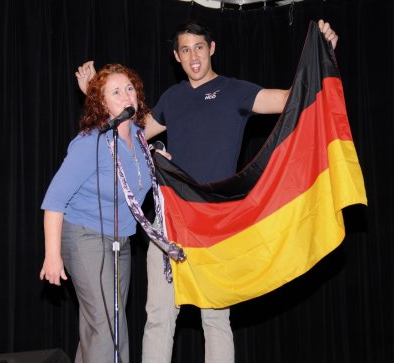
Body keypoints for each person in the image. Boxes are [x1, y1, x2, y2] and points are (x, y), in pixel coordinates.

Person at [75, 19, 338, 363]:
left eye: (199, 47)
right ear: (176, 57)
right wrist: (93, 92)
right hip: (170, 223)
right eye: (185, 50)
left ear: (211, 49)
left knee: (215, 319)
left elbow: (292, 98)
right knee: (158, 316)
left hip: (215, 224)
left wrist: (325, 55)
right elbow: (129, 133)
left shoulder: (234, 91)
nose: (193, 56)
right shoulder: (173, 97)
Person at [39, 64, 154, 363]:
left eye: (129, 88)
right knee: (108, 328)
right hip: (84, 237)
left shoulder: (140, 138)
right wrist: (53, 255)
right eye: (115, 92)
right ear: (102, 103)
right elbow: (54, 200)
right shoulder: (91, 142)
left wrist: (161, 158)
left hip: (121, 242)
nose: (126, 95)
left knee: (101, 326)